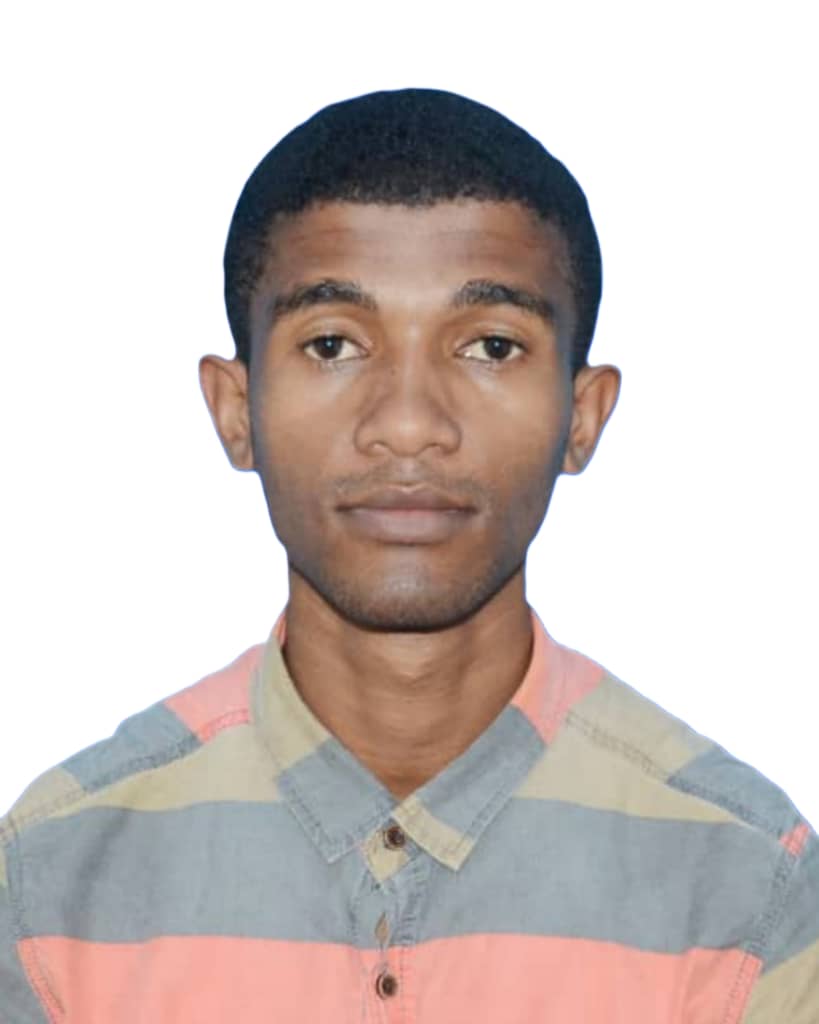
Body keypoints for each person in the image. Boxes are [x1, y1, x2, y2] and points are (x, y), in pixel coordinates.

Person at [1, 88, 816, 1022]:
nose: (407, 424)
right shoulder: (53, 884)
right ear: (235, 410)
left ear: (581, 417)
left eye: (492, 346)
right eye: (333, 344)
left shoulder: (747, 890)